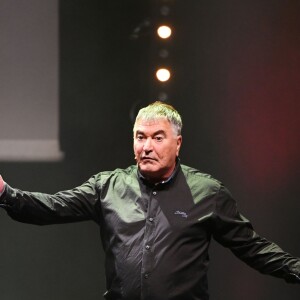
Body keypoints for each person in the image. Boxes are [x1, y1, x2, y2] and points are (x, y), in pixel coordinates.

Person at [0, 101, 299, 300]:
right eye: (140, 137)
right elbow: (52, 208)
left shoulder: (208, 193)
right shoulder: (108, 186)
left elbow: (253, 248)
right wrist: (5, 193)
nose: (146, 147)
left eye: (157, 138)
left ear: (177, 143)